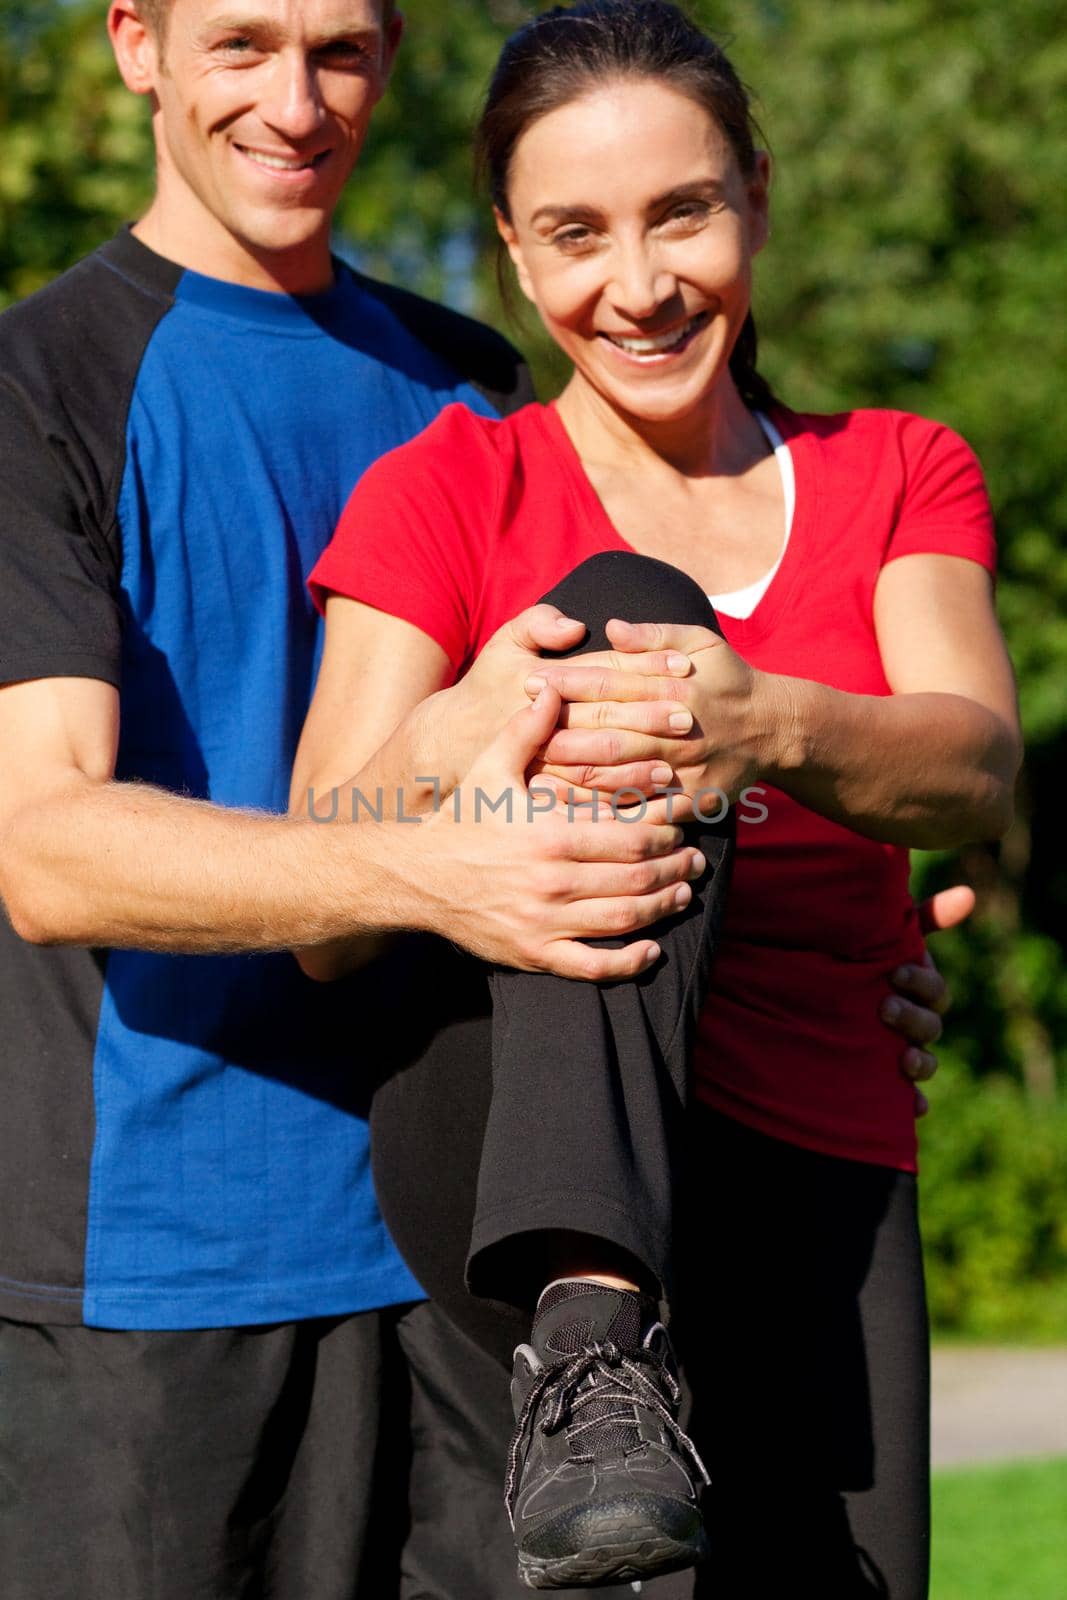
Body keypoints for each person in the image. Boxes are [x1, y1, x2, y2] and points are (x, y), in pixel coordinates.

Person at [296, 2, 1023, 1595]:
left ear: (756, 190)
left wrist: (765, 724)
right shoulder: (445, 489)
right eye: (575, 234)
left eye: (682, 211)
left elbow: (971, 762)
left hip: (819, 1135)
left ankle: (610, 1343)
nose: (637, 284)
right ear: (509, 245)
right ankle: (590, 1323)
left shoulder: (900, 467)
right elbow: (321, 908)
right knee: (625, 596)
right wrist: (464, 735)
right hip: (504, 1140)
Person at [0, 3, 715, 1597]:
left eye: (342, 48)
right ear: (136, 44)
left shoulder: (475, 380)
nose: (297, 102)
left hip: (475, 1248)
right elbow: (43, 845)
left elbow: (665, 705)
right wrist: (428, 873)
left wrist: (854, 912)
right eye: (242, 43)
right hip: (165, 1268)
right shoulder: (36, 381)